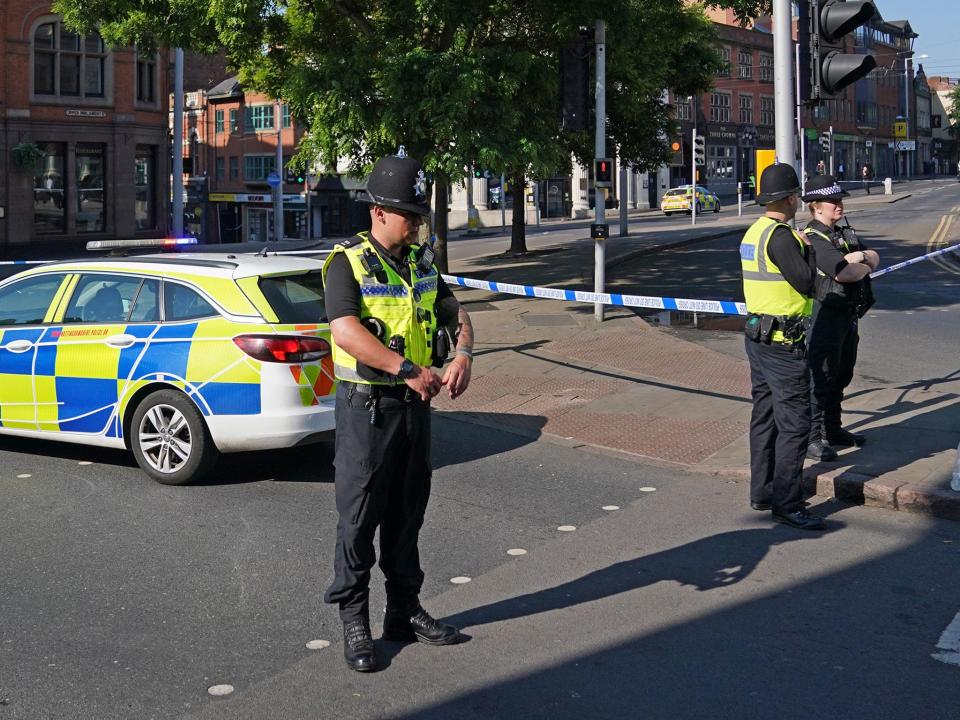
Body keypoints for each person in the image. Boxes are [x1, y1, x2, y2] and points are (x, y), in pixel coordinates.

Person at [321, 148, 475, 672]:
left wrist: (463, 354)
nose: (416, 225)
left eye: (420, 216)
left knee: (408, 514)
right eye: (409, 216)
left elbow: (456, 313)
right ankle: (355, 620)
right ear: (379, 211)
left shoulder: (422, 261)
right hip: (367, 410)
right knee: (360, 518)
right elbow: (345, 330)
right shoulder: (347, 263)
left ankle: (403, 613)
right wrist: (408, 369)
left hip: (414, 410)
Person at [740, 163, 823, 531]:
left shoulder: (754, 233)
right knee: (795, 424)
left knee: (764, 416)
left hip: (758, 337)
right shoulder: (783, 237)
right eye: (797, 197)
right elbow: (806, 282)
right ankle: (787, 503)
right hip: (783, 344)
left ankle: (763, 491)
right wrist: (808, 249)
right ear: (790, 198)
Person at [801, 175, 879, 461]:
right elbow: (842, 273)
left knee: (842, 373)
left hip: (847, 314)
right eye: (833, 201)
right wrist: (859, 261)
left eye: (840, 200)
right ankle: (813, 438)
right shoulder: (814, 237)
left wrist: (861, 259)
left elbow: (874, 256)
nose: (839, 205)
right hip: (824, 316)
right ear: (816, 207)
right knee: (820, 377)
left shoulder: (842, 234)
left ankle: (833, 430)